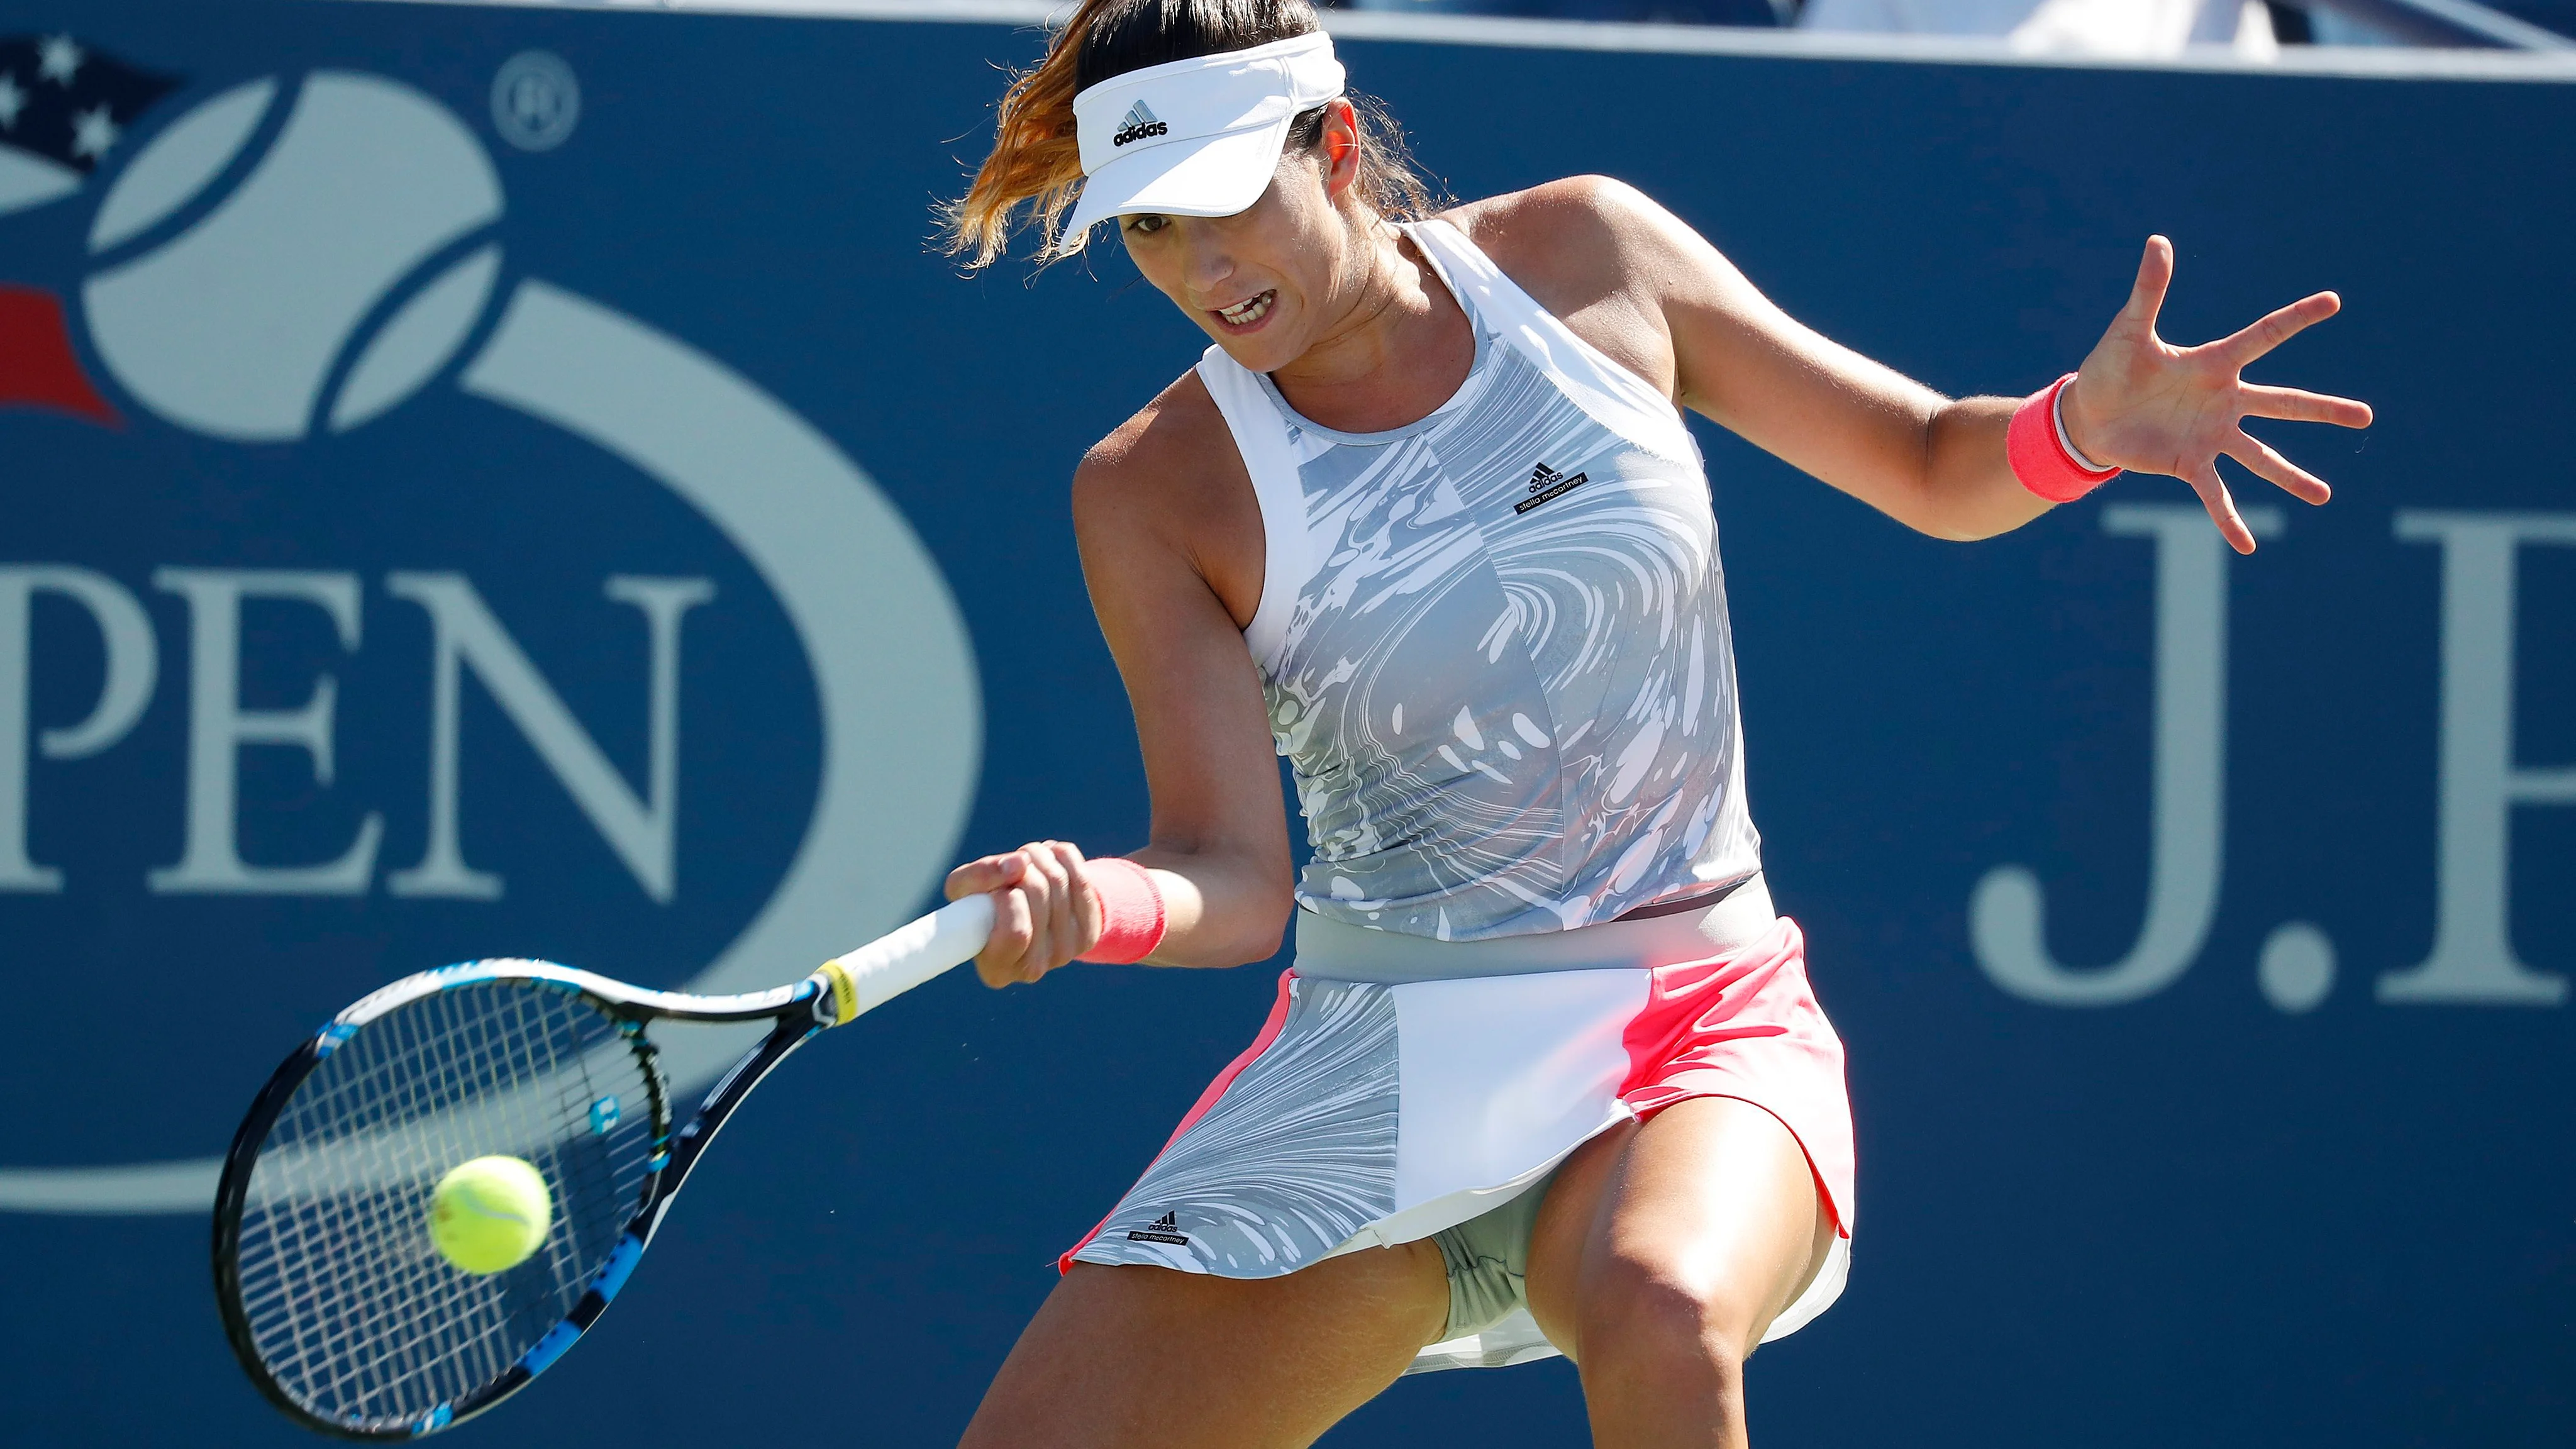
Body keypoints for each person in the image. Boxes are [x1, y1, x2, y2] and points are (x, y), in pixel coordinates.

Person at [935, 1, 2368, 1443]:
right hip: (1380, 1056)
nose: (1201, 269)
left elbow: (1928, 464)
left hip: (1693, 1017)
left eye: (1230, 203)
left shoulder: (1590, 257)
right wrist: (1095, 900)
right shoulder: (1150, 488)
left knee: (1663, 1310)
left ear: (1340, 145)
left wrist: (2076, 427)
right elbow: (1234, 877)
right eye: (1150, 231)